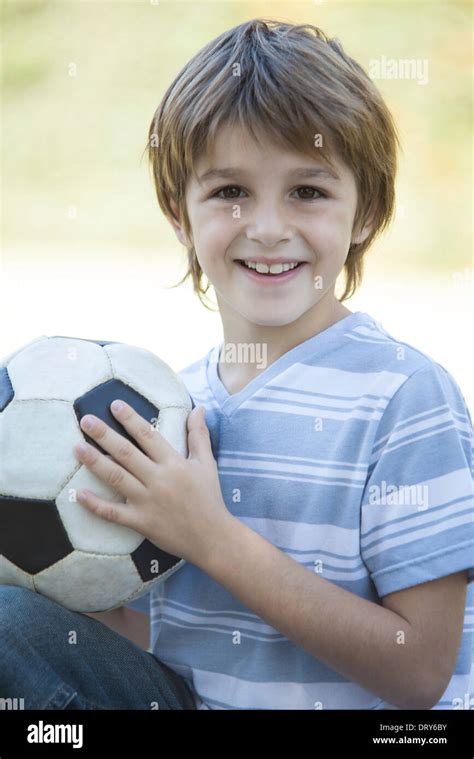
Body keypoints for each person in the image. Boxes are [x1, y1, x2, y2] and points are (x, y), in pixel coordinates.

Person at [1, 18, 472, 711]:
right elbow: (174, 636)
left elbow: (421, 668)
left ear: (366, 209)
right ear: (179, 213)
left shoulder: (404, 396)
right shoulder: (172, 404)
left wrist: (212, 538)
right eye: (230, 193)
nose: (268, 226)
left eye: (307, 191)